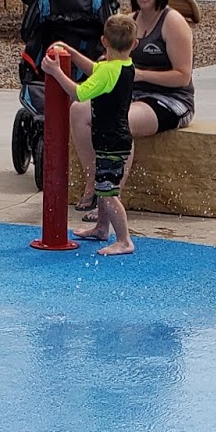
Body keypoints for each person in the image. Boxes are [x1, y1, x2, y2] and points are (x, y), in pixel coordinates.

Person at [71, 0, 195, 215]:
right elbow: (106, 66)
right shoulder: (127, 23)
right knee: (78, 110)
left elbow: (183, 77)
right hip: (130, 95)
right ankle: (93, 182)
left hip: (170, 99)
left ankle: (111, 199)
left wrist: (138, 75)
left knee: (121, 120)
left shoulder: (173, 22)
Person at [42, 14, 137, 256]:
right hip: (115, 140)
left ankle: (124, 240)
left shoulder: (108, 71)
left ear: (104, 41)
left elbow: (79, 93)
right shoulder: (123, 65)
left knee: (108, 192)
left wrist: (56, 71)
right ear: (134, 44)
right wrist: (73, 54)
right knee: (102, 186)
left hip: (112, 142)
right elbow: (96, 68)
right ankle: (101, 228)